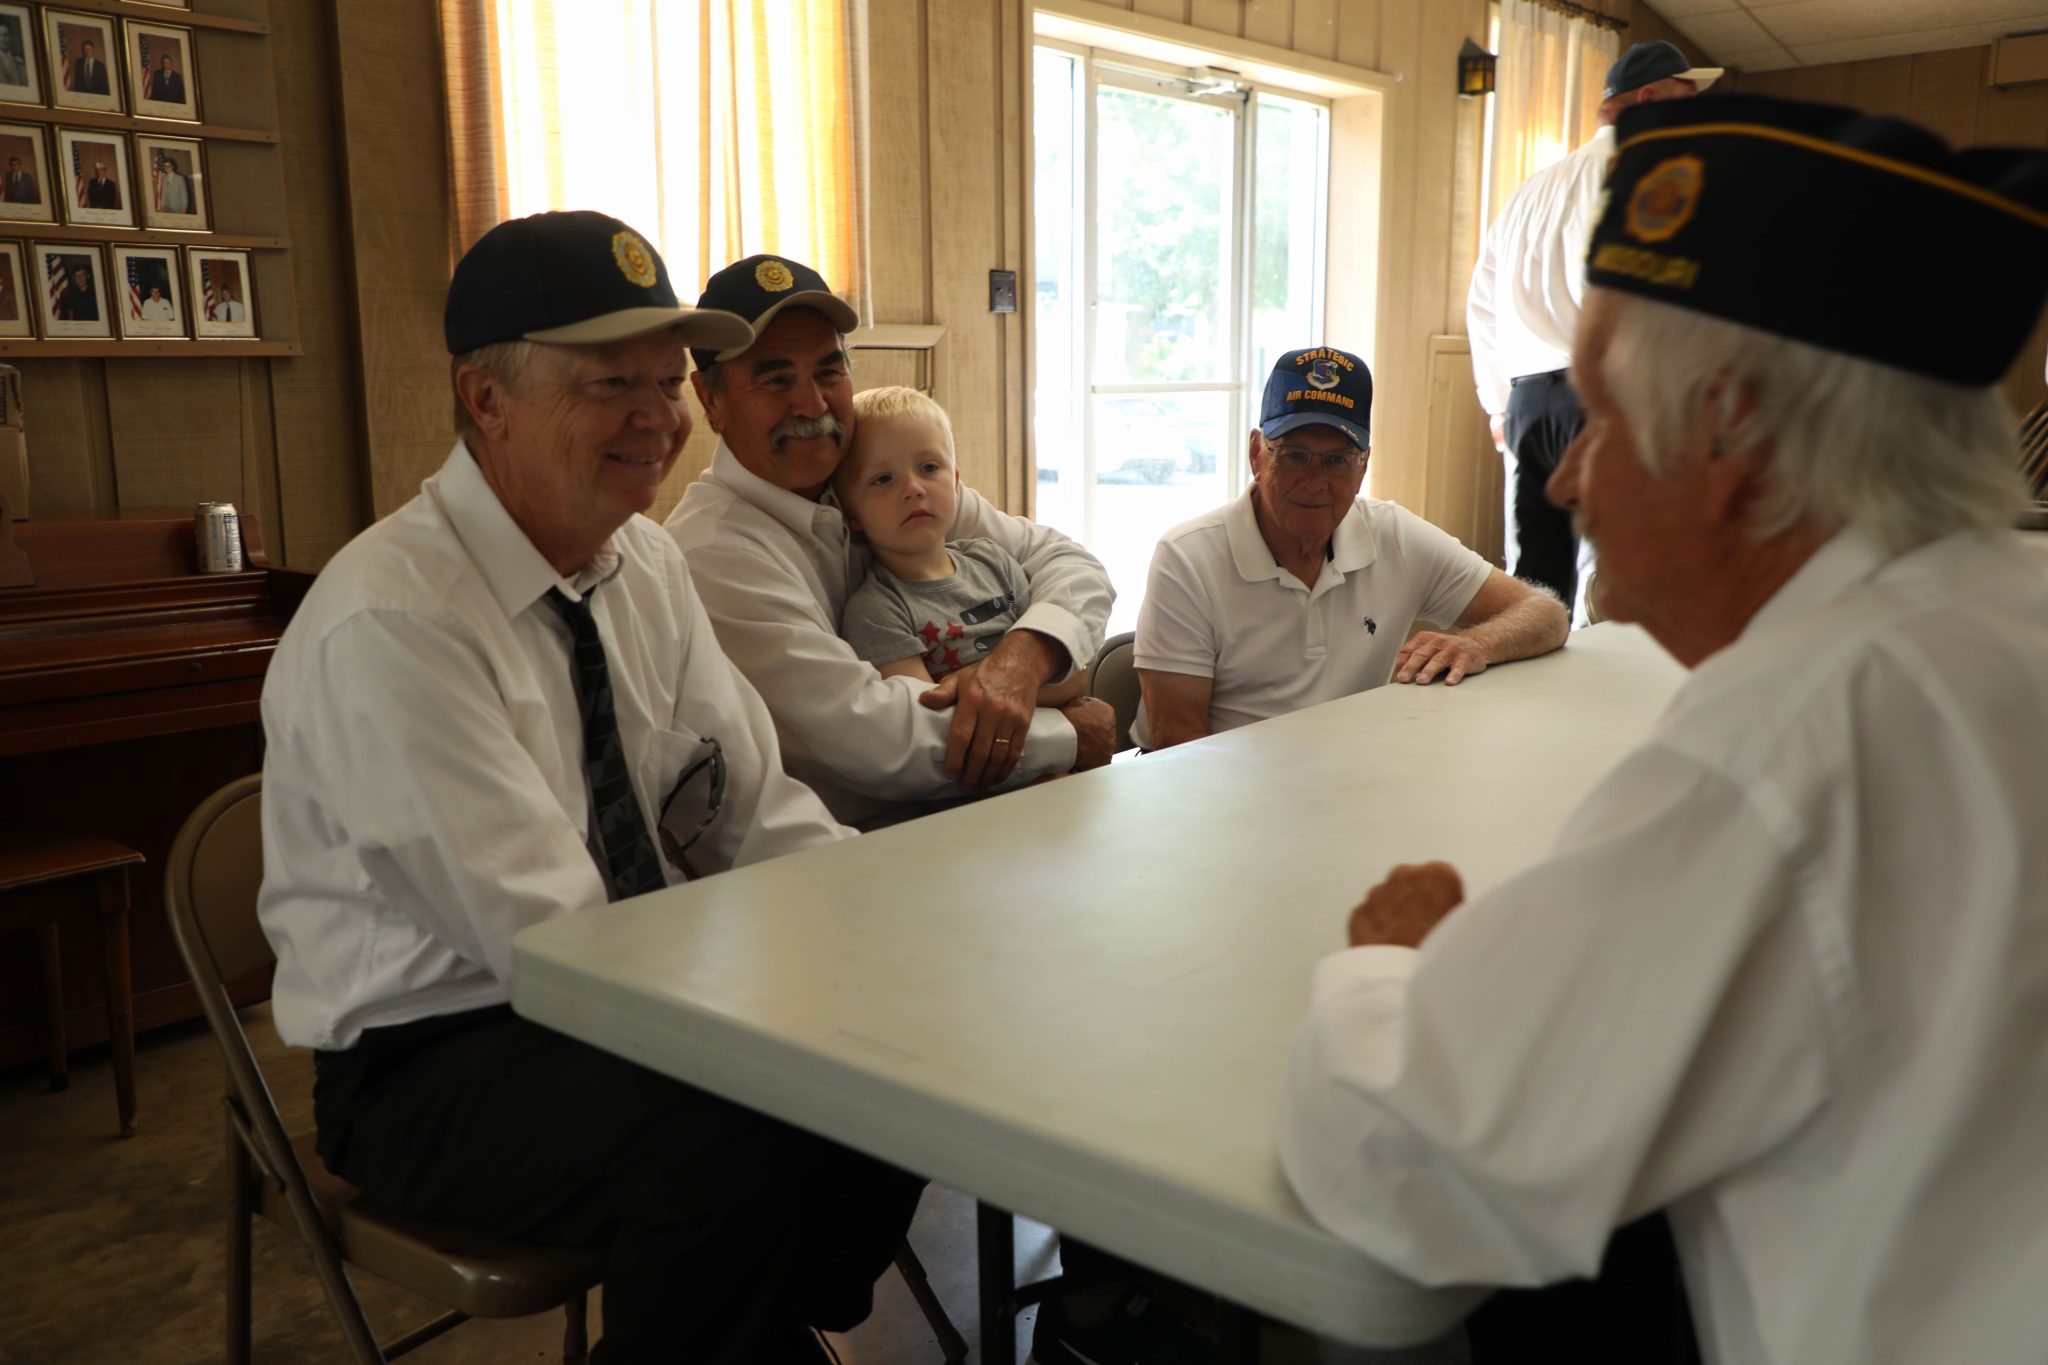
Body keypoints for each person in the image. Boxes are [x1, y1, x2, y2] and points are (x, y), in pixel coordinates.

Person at [1281, 94, 2048, 1365]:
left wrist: (1387, 967)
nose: (1566, 477)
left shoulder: (1793, 736)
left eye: (1596, 418)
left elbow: (1406, 1164)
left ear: (1729, 435)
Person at [258, 210, 925, 1365]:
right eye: (610, 382)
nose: (658, 418)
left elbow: (756, 811)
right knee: (730, 1133)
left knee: (912, 1035)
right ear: (485, 399)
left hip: (626, 982)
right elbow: (549, 947)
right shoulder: (395, 621)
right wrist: (774, 1008)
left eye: (667, 381)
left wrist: (882, 935)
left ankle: (770, 1314)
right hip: (438, 1058)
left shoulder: (641, 559)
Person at [666, 254, 1116, 829]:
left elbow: (1069, 563)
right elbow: (876, 737)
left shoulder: (879, 475)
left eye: (829, 372)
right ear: (710, 399)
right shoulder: (714, 551)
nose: (811, 404)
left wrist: (1023, 661)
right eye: (775, 379)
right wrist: (1069, 733)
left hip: (976, 824)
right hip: (836, 860)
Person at [1134, 345, 1568, 751]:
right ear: (1256, 454)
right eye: (1293, 455)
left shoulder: (1393, 534)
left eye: (1337, 459)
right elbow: (1177, 743)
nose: (1314, 480)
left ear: (1363, 467)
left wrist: (1476, 645)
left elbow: (1546, 614)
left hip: (1355, 780)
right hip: (1222, 794)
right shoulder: (1187, 557)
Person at [1466, 39, 1717, 623]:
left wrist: (1498, 405)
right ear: (1650, 98)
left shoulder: (1531, 191)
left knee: (1532, 587)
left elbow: (1481, 304)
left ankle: (1527, 712)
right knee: (1609, 584)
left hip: (1528, 404)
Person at [836, 384, 1086, 710]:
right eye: (883, 479)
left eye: (928, 468)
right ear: (851, 514)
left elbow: (1076, 678)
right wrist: (1017, 688)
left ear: (955, 483)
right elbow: (931, 715)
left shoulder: (994, 562)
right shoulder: (875, 611)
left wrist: (978, 686)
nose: (913, 488)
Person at [0, 24, 27, 89]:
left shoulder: (19, 63)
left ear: (11, 37)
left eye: (6, 35)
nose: (2, 39)